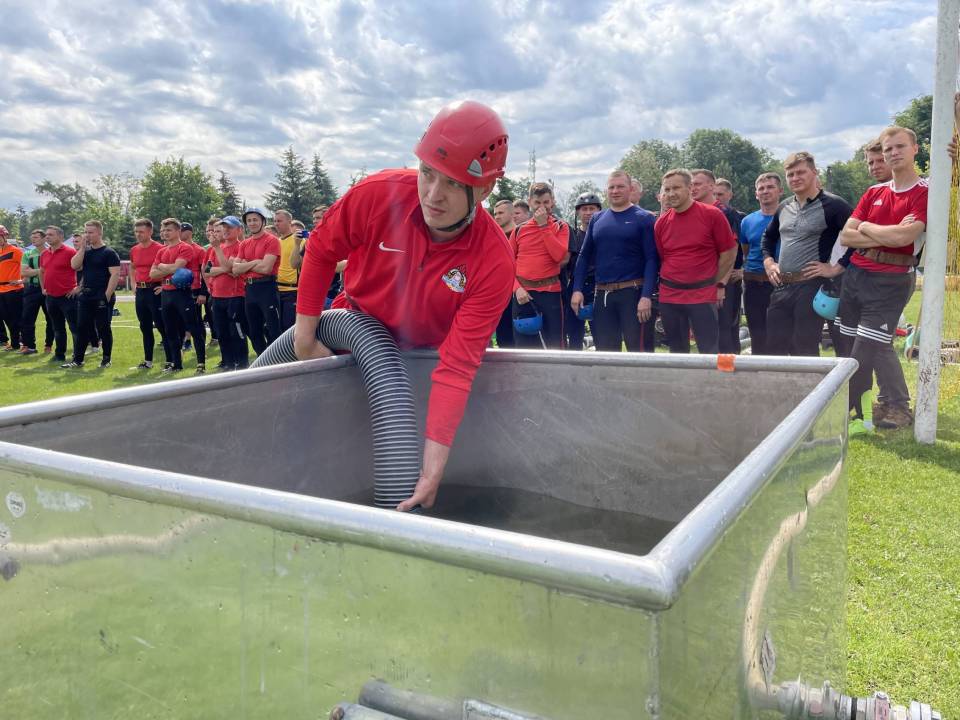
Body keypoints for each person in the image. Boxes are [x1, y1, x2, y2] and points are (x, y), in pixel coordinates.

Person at [294, 100, 514, 511]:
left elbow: (458, 366)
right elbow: (321, 249)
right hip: (350, 336)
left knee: (399, 466)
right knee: (325, 454)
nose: (433, 195)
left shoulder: (494, 261)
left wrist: (433, 470)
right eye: (428, 173)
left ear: (484, 190)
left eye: (453, 184)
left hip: (419, 363)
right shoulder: (378, 195)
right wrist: (305, 338)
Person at [837, 126, 927, 432]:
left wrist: (865, 228)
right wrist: (883, 233)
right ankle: (864, 411)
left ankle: (884, 408)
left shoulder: (924, 191)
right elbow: (846, 236)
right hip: (856, 276)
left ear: (915, 149)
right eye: (888, 149)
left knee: (865, 350)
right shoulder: (874, 192)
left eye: (900, 146)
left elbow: (905, 237)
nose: (893, 153)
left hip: (891, 279)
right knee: (853, 348)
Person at [761, 152, 851, 356]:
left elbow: (858, 238)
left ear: (814, 172)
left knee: (804, 347)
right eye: (790, 174)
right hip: (782, 285)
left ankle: (811, 380)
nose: (795, 178)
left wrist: (837, 267)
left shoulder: (834, 205)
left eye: (800, 172)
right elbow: (768, 238)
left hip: (811, 285)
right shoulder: (784, 206)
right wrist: (769, 263)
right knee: (774, 347)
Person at [571, 171, 658, 352]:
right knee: (606, 352)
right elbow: (584, 256)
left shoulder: (644, 218)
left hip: (633, 293)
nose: (615, 191)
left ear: (630, 189)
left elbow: (651, 259)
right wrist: (577, 289)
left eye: (620, 187)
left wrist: (646, 296)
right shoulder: (597, 219)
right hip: (602, 295)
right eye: (611, 187)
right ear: (606, 190)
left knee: (638, 351)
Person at [654, 169, 737, 354]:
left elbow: (728, 252)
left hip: (702, 295)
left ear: (690, 188)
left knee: (709, 351)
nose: (671, 193)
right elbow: (663, 256)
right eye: (667, 189)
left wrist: (716, 282)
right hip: (670, 295)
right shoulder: (661, 223)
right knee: (677, 351)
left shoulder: (712, 215)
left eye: (676, 188)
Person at [692, 170, 744, 354]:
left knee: (724, 334)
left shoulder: (725, 212)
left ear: (711, 186)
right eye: (691, 184)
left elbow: (732, 250)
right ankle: (706, 370)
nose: (693, 188)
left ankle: (728, 371)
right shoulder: (691, 211)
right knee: (703, 333)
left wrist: (721, 283)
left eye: (698, 184)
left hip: (721, 283)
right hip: (698, 283)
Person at [511, 182, 568, 349]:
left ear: (553, 202)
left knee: (554, 345)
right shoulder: (519, 230)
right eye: (537, 202)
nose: (542, 207)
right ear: (530, 202)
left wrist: (544, 226)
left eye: (546, 202)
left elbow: (558, 256)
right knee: (524, 346)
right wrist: (516, 288)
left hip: (550, 293)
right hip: (523, 294)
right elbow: (506, 263)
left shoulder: (561, 226)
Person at [150, 218, 207, 374]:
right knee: (170, 330)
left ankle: (201, 364)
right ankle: (176, 364)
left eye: (169, 230)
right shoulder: (161, 251)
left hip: (182, 293)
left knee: (193, 328)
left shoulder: (185, 248)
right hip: (166, 293)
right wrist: (167, 269)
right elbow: (152, 274)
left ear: (177, 231)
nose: (165, 233)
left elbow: (177, 267)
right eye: (163, 230)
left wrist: (161, 266)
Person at [62, 220, 120, 368]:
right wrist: (82, 248)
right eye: (86, 232)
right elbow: (74, 265)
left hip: (101, 295)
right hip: (86, 296)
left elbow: (115, 275)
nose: (87, 235)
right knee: (82, 327)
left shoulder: (109, 253)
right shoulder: (85, 252)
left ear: (99, 233)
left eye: (91, 232)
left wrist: (107, 295)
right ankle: (78, 360)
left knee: (103, 328)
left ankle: (106, 359)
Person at [739, 173, 783, 354]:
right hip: (754, 283)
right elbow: (746, 250)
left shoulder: (790, 217)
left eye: (770, 187)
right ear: (756, 194)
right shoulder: (747, 221)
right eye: (761, 188)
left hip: (782, 283)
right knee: (758, 335)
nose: (765, 191)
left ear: (780, 191)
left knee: (781, 336)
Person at [230, 208, 281, 355]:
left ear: (263, 222)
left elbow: (266, 268)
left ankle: (277, 359)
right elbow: (235, 269)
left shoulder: (272, 240)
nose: (252, 223)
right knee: (254, 330)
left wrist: (246, 264)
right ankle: (262, 358)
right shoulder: (244, 243)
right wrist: (255, 262)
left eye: (255, 220)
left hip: (267, 287)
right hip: (250, 289)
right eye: (249, 220)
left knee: (273, 329)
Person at [205, 216, 250, 370]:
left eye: (229, 227)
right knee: (221, 332)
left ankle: (242, 363)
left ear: (239, 230)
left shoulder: (240, 246)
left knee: (236, 331)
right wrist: (224, 268)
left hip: (235, 295)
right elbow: (208, 270)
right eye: (224, 227)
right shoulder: (218, 248)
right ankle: (228, 363)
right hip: (217, 296)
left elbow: (232, 270)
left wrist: (221, 258)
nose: (225, 230)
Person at [129, 218, 172, 370]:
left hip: (155, 290)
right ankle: (148, 361)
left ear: (150, 232)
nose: (138, 234)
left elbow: (170, 269)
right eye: (136, 232)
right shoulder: (134, 250)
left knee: (162, 326)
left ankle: (170, 361)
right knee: (145, 327)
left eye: (141, 232)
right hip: (141, 292)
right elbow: (132, 267)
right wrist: (133, 284)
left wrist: (164, 286)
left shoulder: (161, 249)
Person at [563, 192, 602, 350]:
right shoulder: (571, 235)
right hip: (575, 287)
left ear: (599, 210)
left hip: (597, 287)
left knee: (601, 335)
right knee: (574, 335)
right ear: (578, 212)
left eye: (592, 208)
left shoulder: (603, 235)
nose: (588, 212)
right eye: (584, 209)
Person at [39, 226, 80, 363]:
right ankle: (59, 355)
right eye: (46, 234)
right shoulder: (44, 254)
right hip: (51, 297)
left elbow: (83, 270)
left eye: (51, 234)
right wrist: (43, 288)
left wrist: (78, 287)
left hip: (68, 297)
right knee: (57, 328)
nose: (47, 237)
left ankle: (78, 356)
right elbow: (42, 271)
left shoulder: (70, 252)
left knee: (74, 327)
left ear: (61, 237)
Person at [19, 228, 54, 354]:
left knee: (51, 318)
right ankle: (29, 346)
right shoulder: (28, 253)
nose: (33, 239)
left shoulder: (51, 252)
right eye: (32, 237)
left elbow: (52, 270)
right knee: (27, 318)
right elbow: (23, 272)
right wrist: (40, 271)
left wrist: (32, 271)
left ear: (44, 239)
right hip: (32, 289)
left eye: (36, 237)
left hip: (49, 289)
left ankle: (48, 345)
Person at [491, 198, 516, 348]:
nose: (497, 216)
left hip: (519, 293)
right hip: (499, 295)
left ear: (512, 214)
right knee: (503, 340)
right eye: (495, 214)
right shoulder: (493, 237)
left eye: (501, 213)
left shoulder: (521, 234)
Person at [274, 209, 300, 331]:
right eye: (275, 221)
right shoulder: (276, 242)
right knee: (277, 327)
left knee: (289, 328)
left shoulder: (299, 240)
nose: (276, 224)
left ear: (289, 222)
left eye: (279, 221)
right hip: (276, 290)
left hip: (292, 291)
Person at [0, 225, 24, 351]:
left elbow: (26, 267)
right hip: (1, 290)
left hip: (13, 290)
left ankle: (17, 343)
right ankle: (15, 341)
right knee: (6, 317)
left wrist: (21, 280)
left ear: (5, 236)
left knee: (15, 318)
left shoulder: (16, 251)